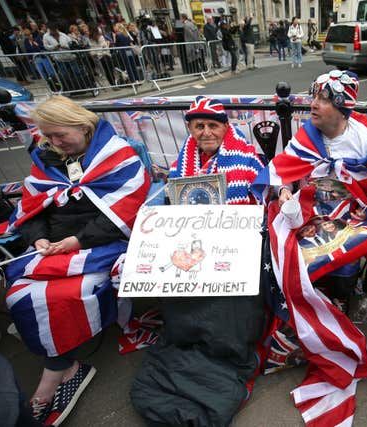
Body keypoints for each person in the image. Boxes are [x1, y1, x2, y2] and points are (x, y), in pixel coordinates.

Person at [4, 96, 150, 425]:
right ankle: (66, 364)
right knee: (18, 294)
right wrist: (37, 238)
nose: (54, 143)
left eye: (59, 136)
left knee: (60, 296)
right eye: (48, 136)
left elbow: (126, 209)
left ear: (82, 127)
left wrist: (77, 241)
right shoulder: (45, 159)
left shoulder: (119, 156)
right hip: (53, 246)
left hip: (100, 244)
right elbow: (32, 209)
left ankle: (55, 373)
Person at [252, 70, 367, 426]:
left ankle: (336, 309)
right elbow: (282, 171)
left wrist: (358, 209)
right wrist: (284, 193)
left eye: (324, 99)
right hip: (311, 211)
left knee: (344, 261)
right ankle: (303, 321)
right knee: (286, 257)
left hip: (353, 216)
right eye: (313, 96)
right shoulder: (307, 136)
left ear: (342, 108)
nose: (312, 104)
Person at [130, 96, 266, 426]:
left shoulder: (246, 157)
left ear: (225, 127)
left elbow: (259, 204)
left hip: (236, 246)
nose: (206, 132)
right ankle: (192, 340)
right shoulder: (183, 161)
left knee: (228, 301)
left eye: (213, 125)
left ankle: (223, 348)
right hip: (195, 244)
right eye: (199, 125)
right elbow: (174, 203)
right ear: (189, 128)